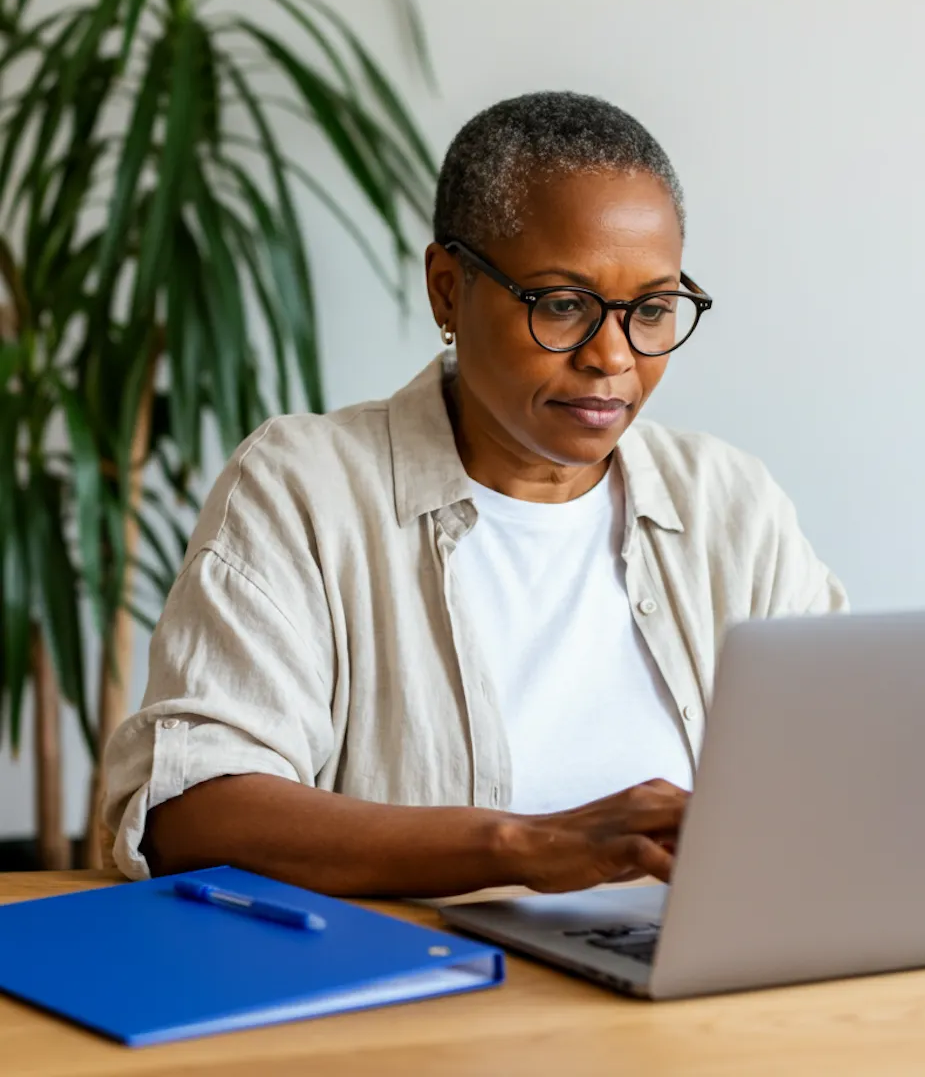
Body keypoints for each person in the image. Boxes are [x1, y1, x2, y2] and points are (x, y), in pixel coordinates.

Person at [103, 91, 846, 897]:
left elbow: (849, 770)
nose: (612, 356)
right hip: (422, 1003)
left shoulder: (730, 506)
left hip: (693, 990)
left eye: (652, 309)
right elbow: (190, 811)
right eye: (563, 306)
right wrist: (521, 847)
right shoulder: (304, 489)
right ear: (449, 290)